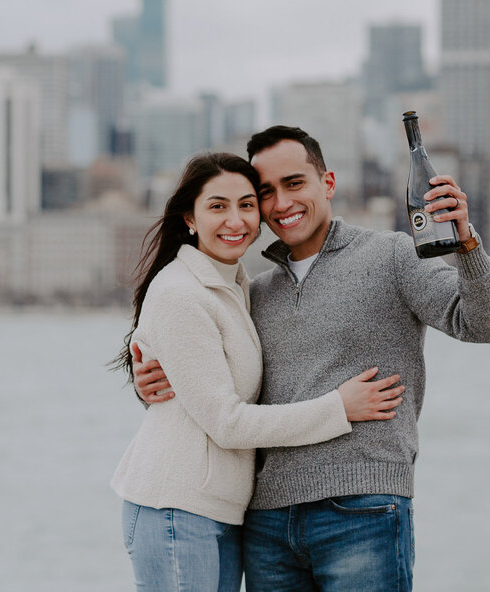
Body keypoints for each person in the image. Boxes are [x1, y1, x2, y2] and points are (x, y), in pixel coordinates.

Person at [134, 126, 490, 591]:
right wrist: (150, 379)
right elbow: (214, 389)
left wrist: (467, 243)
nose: (281, 203)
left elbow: (488, 325)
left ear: (327, 183)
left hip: (362, 509)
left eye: (294, 183)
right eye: (266, 192)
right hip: (266, 521)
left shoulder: (391, 255)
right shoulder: (254, 293)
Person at [111, 151, 406, 592]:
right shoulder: (180, 292)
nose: (236, 220)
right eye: (217, 206)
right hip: (174, 507)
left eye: (247, 205)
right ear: (189, 218)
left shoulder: (235, 286)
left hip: (222, 510)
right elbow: (227, 423)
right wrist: (338, 408)